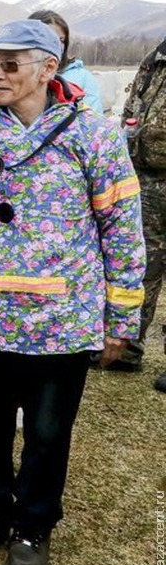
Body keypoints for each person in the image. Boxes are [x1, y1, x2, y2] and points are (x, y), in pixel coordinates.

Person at [0, 19, 144, 565]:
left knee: (49, 432)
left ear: (48, 68)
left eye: (10, 64)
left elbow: (123, 231)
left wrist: (120, 320)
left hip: (61, 319)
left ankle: (33, 527)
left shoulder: (93, 135)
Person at [119, 35, 166, 389]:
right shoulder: (155, 56)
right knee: (145, 263)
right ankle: (128, 348)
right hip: (146, 177)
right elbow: (132, 104)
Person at [30, 10, 103, 114]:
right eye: (48, 38)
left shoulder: (83, 77)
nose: (56, 45)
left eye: (61, 40)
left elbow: (94, 121)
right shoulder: (17, 75)